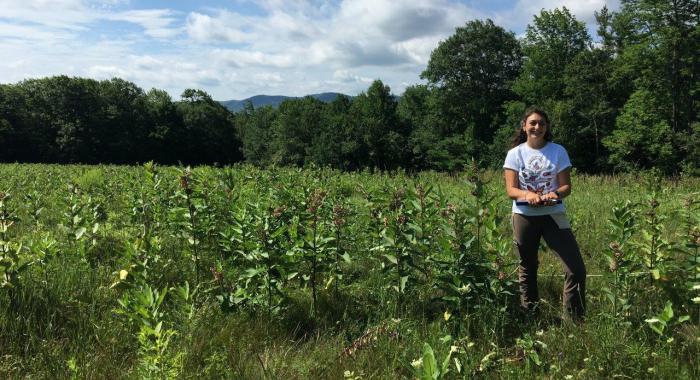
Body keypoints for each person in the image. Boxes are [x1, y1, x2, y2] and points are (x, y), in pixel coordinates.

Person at [503, 107, 586, 320]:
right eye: (533, 123)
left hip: (553, 215)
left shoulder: (558, 151)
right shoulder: (515, 154)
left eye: (541, 123)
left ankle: (574, 319)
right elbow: (511, 191)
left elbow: (566, 187)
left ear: (546, 127)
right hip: (523, 216)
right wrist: (527, 194)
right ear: (524, 126)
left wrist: (553, 194)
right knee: (527, 267)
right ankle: (530, 314)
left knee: (575, 268)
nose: (537, 127)